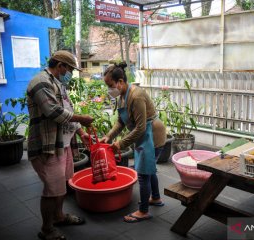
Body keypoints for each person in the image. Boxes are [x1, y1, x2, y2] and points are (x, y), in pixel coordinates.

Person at [26, 50, 94, 240]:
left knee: (61, 186)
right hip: (48, 146)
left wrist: (81, 132)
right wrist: (83, 119)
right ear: (60, 66)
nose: (70, 73)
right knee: (51, 189)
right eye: (70, 69)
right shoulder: (40, 82)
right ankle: (46, 229)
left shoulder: (58, 84)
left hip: (63, 145)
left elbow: (67, 110)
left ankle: (59, 216)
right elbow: (53, 112)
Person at [101, 62, 167, 223]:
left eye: (110, 86)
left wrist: (120, 143)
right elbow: (120, 122)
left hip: (152, 135)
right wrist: (109, 136)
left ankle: (143, 211)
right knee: (150, 170)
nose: (110, 90)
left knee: (144, 173)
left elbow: (141, 128)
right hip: (144, 135)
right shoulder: (122, 96)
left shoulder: (136, 96)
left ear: (121, 82)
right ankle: (155, 198)